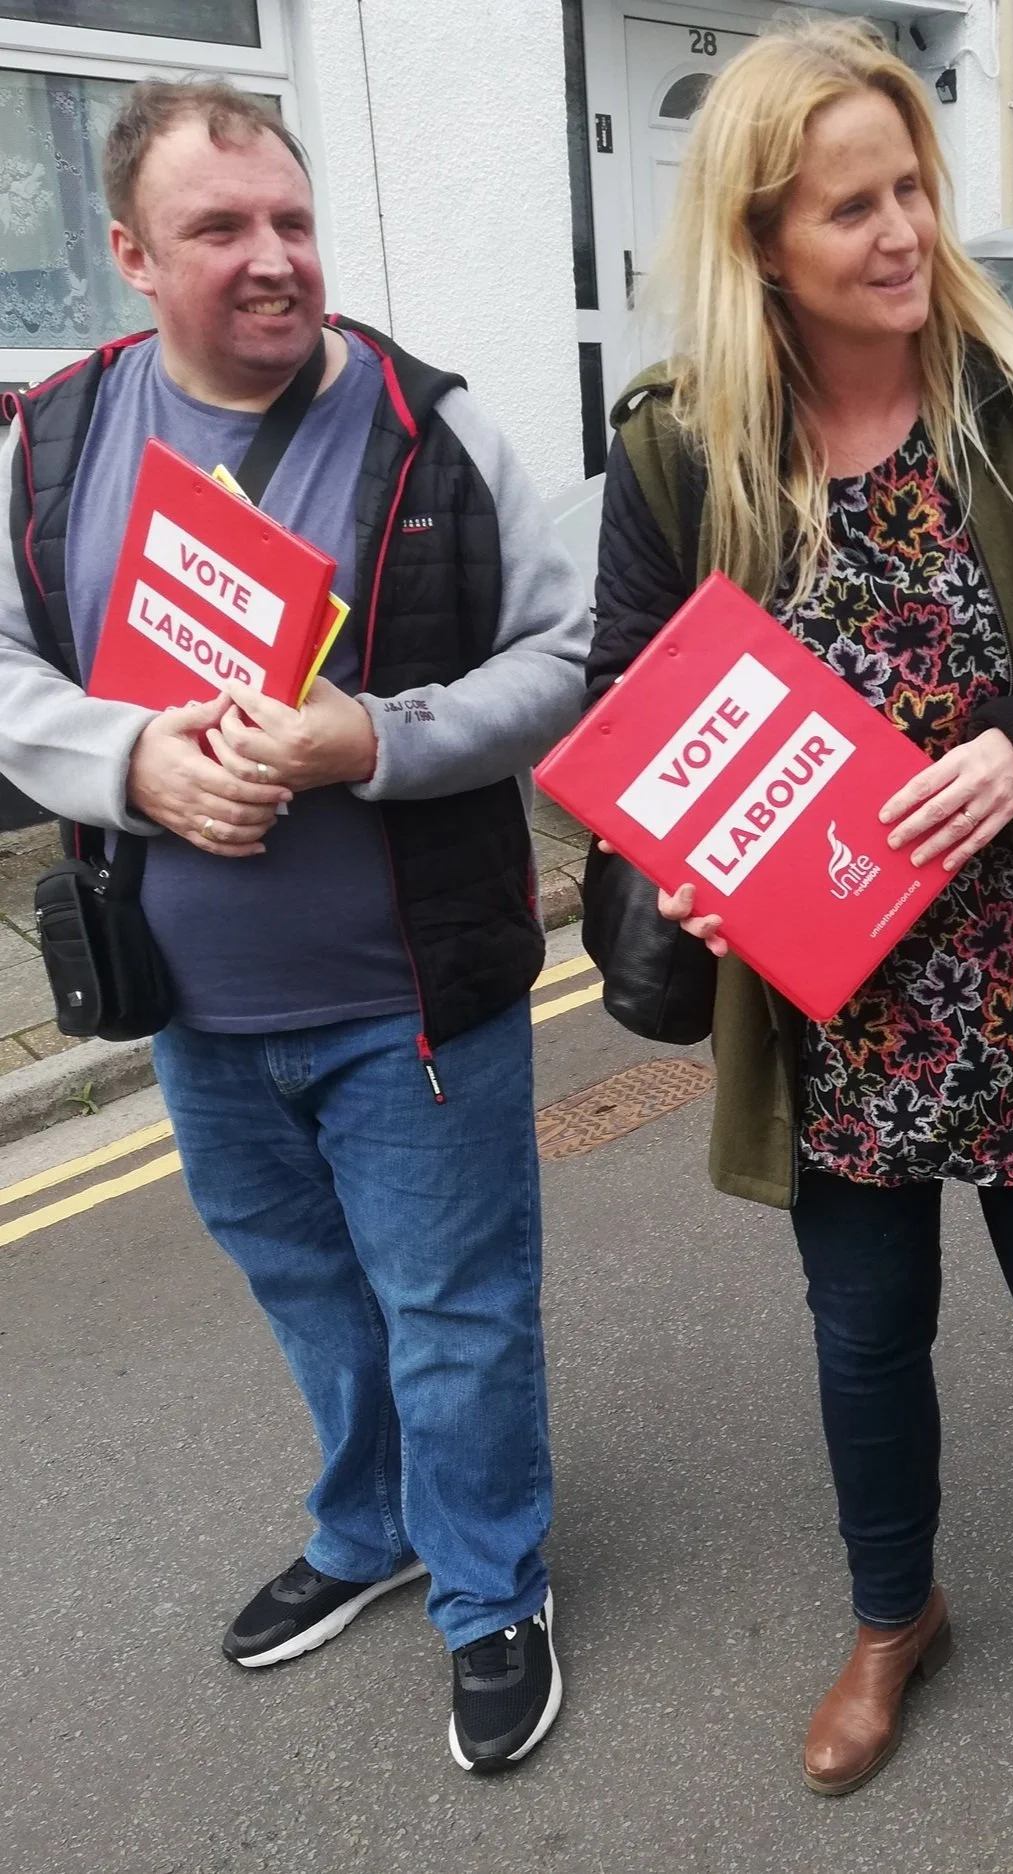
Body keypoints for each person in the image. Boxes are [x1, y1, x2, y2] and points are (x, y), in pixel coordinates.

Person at [587, 18, 1013, 1796]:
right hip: (822, 997)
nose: (902, 231)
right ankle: (891, 1613)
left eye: (912, 184)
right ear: (760, 240)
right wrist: (677, 855)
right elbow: (632, 700)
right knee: (864, 1333)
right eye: (848, 206)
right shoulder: (685, 452)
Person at [0, 82, 588, 1772]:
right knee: (313, 1296)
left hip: (412, 999)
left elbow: (557, 666)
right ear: (127, 255)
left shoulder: (434, 428)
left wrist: (375, 740)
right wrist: (125, 759)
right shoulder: (49, 439)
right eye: (220, 230)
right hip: (186, 1001)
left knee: (455, 1307)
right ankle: (371, 1524)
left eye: (293, 223)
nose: (275, 261)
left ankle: (489, 1588)